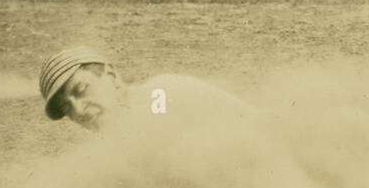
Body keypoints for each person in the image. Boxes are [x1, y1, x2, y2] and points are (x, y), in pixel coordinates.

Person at [38, 47, 252, 134]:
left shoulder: (164, 92)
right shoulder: (115, 148)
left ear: (111, 77)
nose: (78, 109)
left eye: (81, 89)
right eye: (66, 107)